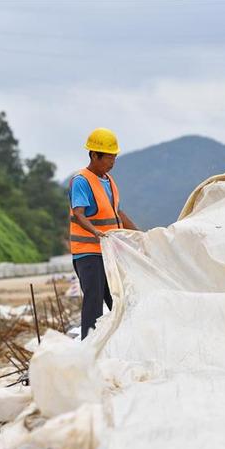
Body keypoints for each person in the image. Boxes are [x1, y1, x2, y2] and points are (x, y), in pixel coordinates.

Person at [69, 128, 138, 339]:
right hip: (89, 253)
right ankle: (89, 348)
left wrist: (140, 234)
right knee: (94, 301)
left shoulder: (108, 180)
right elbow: (79, 213)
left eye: (114, 157)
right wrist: (96, 233)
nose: (112, 162)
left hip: (109, 252)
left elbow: (117, 212)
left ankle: (121, 343)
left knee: (118, 300)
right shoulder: (81, 180)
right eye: (108, 157)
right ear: (93, 155)